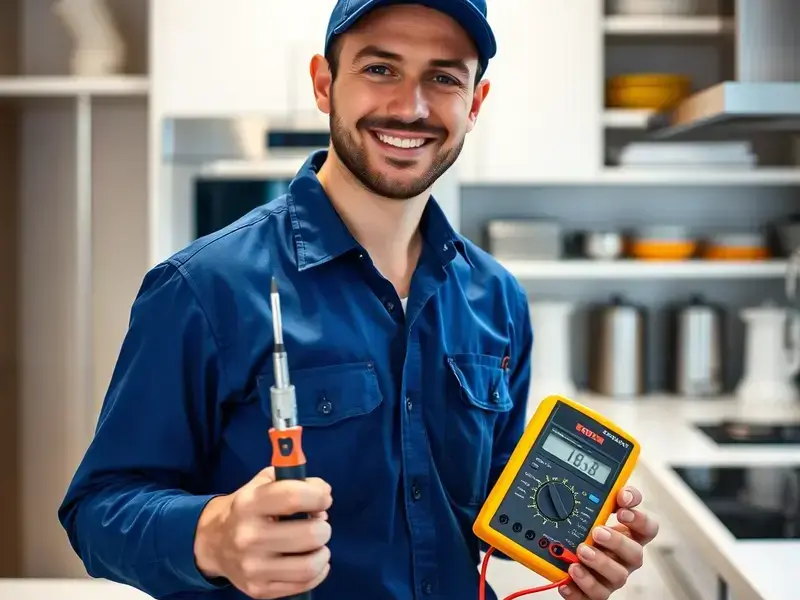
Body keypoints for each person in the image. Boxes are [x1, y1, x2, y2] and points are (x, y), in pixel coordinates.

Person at [58, 1, 659, 599]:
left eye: (444, 77)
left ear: (474, 104)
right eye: (380, 69)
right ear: (324, 84)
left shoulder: (497, 299)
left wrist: (580, 546)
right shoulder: (202, 287)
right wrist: (212, 535)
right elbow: (98, 511)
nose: (411, 106)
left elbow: (490, 506)